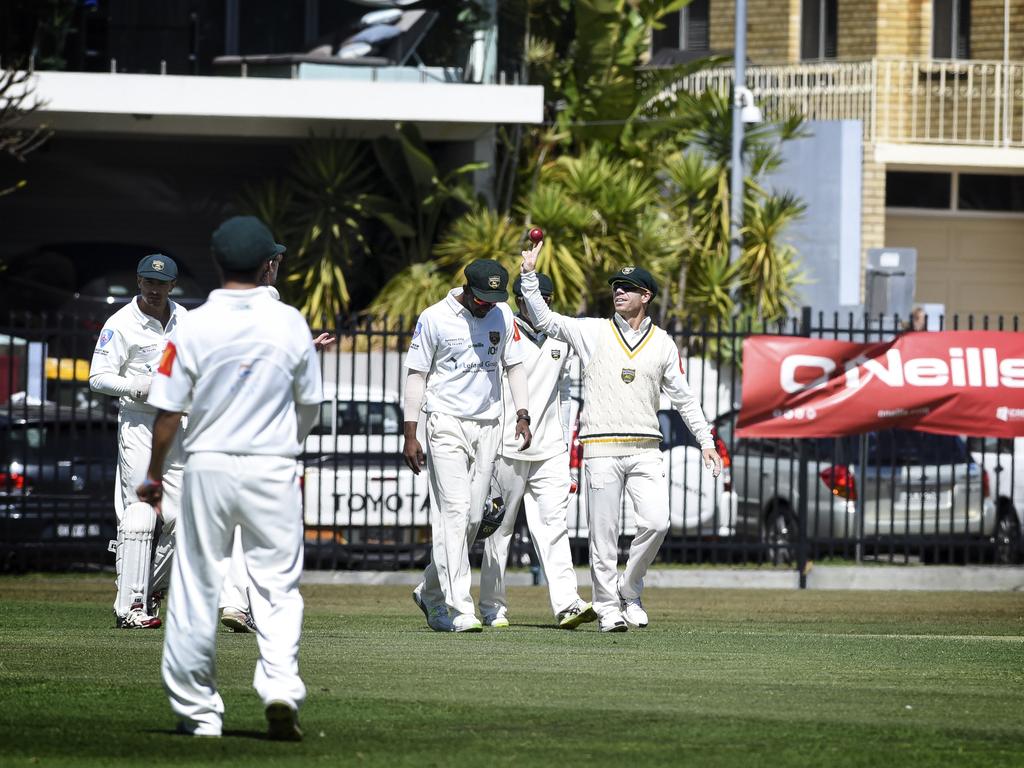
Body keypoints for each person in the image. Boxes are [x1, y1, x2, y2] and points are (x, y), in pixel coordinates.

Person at [137, 215, 323, 740]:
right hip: (273, 466)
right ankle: (281, 686)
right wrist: (284, 445)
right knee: (278, 586)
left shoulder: (193, 324)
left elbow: (168, 411)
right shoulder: (289, 322)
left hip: (210, 464)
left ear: (218, 263)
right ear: (269, 264)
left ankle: (199, 713)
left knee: (197, 586)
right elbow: (309, 405)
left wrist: (153, 476)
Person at [519, 242, 722, 632]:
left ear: (646, 296)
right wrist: (529, 276)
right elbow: (546, 320)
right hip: (600, 446)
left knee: (658, 522)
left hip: (645, 447)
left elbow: (684, 397)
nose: (618, 292)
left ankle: (629, 588)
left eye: (627, 287)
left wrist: (706, 441)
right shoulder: (591, 331)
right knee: (604, 534)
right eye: (616, 286)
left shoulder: (662, 342)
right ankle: (607, 606)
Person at [403, 259, 532, 633]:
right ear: (467, 288)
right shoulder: (433, 317)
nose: (487, 305)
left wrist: (522, 414)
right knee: (455, 512)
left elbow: (514, 366)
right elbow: (417, 374)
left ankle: (429, 589)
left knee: (476, 518)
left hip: (489, 423)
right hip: (445, 422)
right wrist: (411, 431)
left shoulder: (502, 314)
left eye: (494, 298)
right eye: (482, 298)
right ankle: (460, 607)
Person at [217, 257, 335, 635]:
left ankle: (235, 601)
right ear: (268, 267)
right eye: (277, 263)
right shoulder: (278, 311)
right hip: (265, 437)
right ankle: (259, 606)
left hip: (224, 433)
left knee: (236, 525)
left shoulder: (214, 311)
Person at [478, 273, 597, 630]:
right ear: (518, 298)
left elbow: (562, 392)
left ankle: (567, 604)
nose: (538, 304)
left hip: (549, 450)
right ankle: (492, 607)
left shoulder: (560, 336)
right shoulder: (501, 329)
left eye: (545, 298)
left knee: (553, 526)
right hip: (505, 447)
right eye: (532, 298)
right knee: (498, 531)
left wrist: (562, 443)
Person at [89, 254, 186, 629]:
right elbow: (98, 377)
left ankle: (147, 593)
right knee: (142, 511)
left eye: (161, 283)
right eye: (148, 282)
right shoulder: (121, 323)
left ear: (172, 285)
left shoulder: (185, 321)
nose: (154, 289)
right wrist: (136, 386)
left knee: (182, 519)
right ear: (138, 282)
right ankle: (129, 607)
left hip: (179, 423)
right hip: (140, 423)